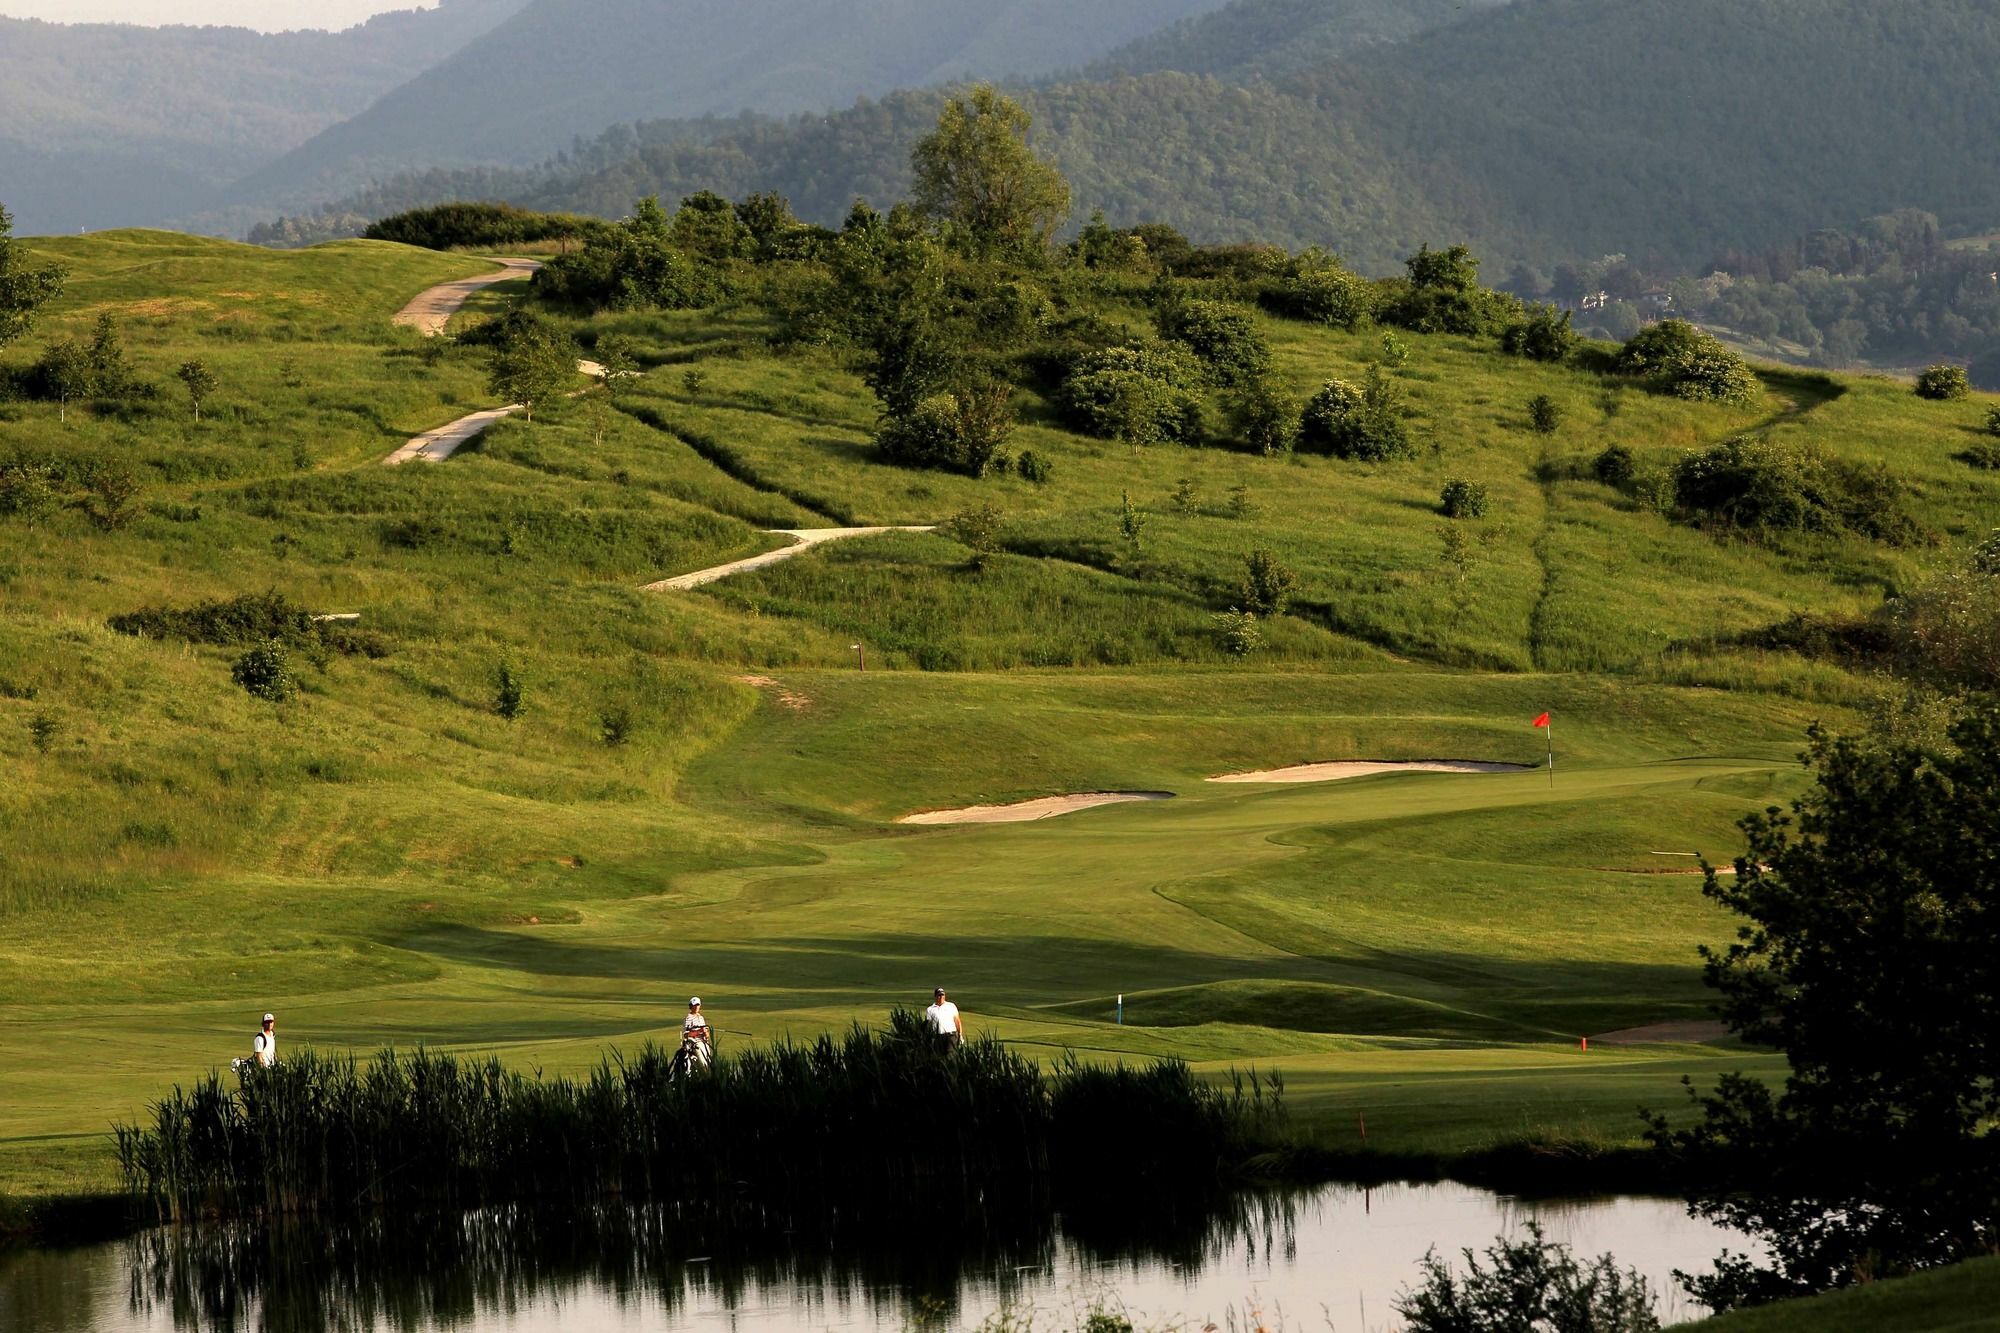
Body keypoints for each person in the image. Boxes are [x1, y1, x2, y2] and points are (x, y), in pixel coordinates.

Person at [680, 997, 712, 1070]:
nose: (696, 1007)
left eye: (698, 1005)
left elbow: (706, 1035)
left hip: (704, 1043)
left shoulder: (701, 1018)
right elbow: (686, 1034)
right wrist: (699, 1032)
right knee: (703, 1065)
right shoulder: (688, 1018)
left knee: (709, 1064)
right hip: (696, 1044)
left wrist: (705, 1033)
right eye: (694, 1005)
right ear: (691, 1006)